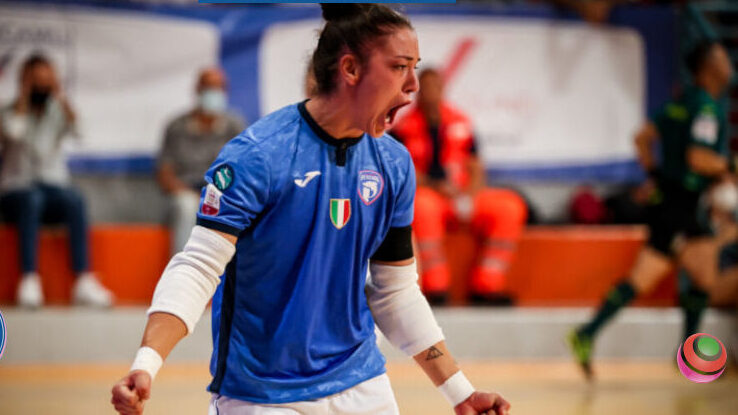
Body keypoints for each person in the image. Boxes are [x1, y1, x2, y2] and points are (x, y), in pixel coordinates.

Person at [111, 5, 511, 415]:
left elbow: (395, 292)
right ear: (350, 69)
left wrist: (460, 392)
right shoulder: (257, 156)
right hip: (261, 396)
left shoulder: (394, 164)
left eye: (415, 68)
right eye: (399, 67)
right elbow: (197, 267)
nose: (412, 86)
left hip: (362, 384)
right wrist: (146, 364)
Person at [568, 41, 735, 379]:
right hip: (683, 205)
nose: (729, 63)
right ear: (707, 68)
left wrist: (656, 174)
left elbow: (641, 137)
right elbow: (698, 158)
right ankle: (688, 357)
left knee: (678, 277)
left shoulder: (679, 103)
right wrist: (730, 165)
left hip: (671, 201)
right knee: (696, 276)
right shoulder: (706, 107)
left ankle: (589, 333)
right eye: (721, 58)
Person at [391, 68, 527, 305]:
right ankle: (436, 288)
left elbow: (476, 166)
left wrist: (469, 195)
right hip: (430, 197)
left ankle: (487, 286)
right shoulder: (402, 128)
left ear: (444, 89)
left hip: (463, 195)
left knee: (509, 207)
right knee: (421, 206)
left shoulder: (460, 122)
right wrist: (437, 187)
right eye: (426, 87)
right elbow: (402, 172)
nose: (431, 92)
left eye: (436, 87)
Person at [0, 53, 113, 308]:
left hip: (51, 190)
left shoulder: (58, 111)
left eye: (46, 81)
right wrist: (24, 98)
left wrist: (61, 97)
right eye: (36, 81)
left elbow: (81, 132)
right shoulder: (8, 111)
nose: (42, 87)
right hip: (15, 192)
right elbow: (14, 133)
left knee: (74, 199)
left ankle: (83, 280)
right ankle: (29, 278)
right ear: (24, 82)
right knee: (32, 199)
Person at [157, 67, 245, 254]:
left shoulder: (234, 126)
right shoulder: (176, 127)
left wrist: (216, 195)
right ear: (197, 89)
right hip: (185, 193)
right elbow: (165, 175)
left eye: (219, 88)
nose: (214, 93)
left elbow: (244, 171)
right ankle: (183, 268)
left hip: (222, 192)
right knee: (187, 206)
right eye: (209, 88)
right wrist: (194, 196)